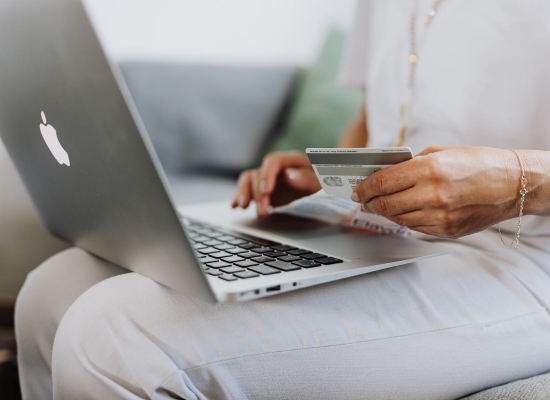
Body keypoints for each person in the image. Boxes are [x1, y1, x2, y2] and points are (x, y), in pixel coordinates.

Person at [15, 1, 550, 399]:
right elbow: (374, 120)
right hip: (389, 233)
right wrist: (334, 176)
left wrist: (516, 177)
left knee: (113, 337)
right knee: (51, 291)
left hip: (520, 257)